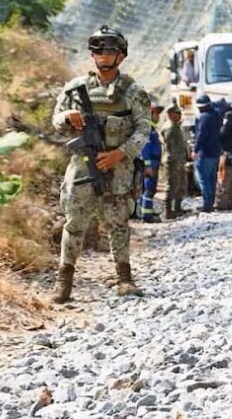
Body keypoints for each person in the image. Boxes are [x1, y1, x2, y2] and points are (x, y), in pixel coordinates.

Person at [50, 25, 150, 302]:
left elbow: (144, 129)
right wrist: (67, 116)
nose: (103, 55)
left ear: (121, 55)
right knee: (74, 223)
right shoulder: (76, 88)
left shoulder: (133, 91)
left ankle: (124, 279)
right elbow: (56, 120)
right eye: (98, 50)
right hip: (84, 165)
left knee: (118, 223)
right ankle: (63, 283)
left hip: (118, 168)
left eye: (110, 50)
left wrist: (121, 153)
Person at [192, 94, 222, 213]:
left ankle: (207, 204)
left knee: (203, 179)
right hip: (215, 152)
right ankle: (211, 202)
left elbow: (201, 135)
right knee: (212, 178)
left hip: (205, 153)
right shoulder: (217, 115)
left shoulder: (204, 117)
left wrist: (195, 150)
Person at [137, 104, 164, 223]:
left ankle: (144, 212)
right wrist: (147, 166)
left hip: (153, 162)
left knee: (147, 189)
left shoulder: (151, 129)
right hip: (150, 163)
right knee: (149, 189)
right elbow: (145, 149)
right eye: (156, 114)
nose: (158, 117)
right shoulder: (147, 130)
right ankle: (146, 216)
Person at [161, 104, 188, 219]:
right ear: (170, 114)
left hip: (178, 160)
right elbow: (172, 147)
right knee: (172, 185)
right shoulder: (170, 128)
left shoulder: (176, 126)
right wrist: (178, 162)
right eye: (177, 113)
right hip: (173, 160)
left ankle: (177, 208)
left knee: (181, 184)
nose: (179, 115)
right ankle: (168, 211)